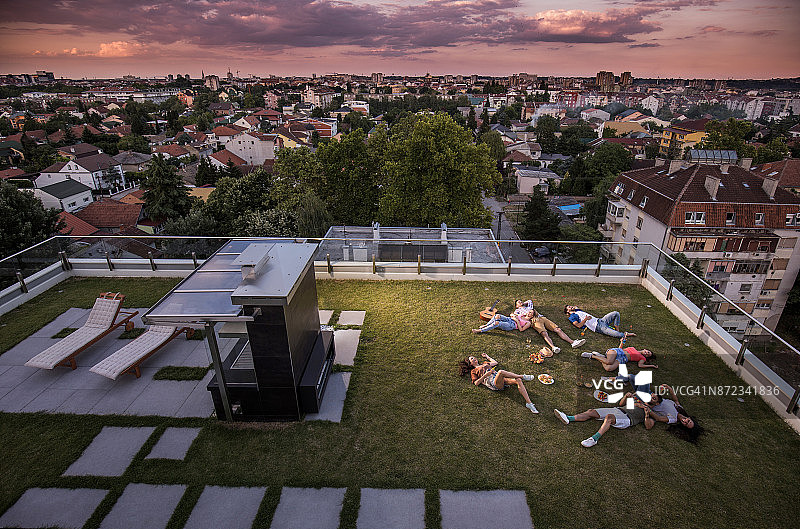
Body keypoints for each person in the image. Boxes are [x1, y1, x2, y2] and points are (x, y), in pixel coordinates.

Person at [553, 392, 661, 447]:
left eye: (654, 398)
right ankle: (568, 418)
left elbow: (648, 426)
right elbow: (621, 404)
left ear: (657, 403)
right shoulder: (639, 401)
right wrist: (626, 397)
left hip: (627, 419)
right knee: (591, 411)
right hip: (617, 410)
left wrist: (646, 415)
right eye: (652, 395)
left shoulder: (652, 413)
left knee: (609, 418)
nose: (652, 397)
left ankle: (594, 439)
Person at [458, 353, 539, 414]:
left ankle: (529, 403)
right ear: (470, 363)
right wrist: (486, 375)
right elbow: (476, 383)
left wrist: (487, 357)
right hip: (493, 382)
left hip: (500, 378)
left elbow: (495, 362)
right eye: (472, 358)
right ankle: (522, 376)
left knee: (518, 380)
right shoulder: (474, 371)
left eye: (474, 357)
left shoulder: (485, 363)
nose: (474, 358)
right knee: (500, 372)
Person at [513, 300, 585, 354]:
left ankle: (572, 342)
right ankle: (553, 347)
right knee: (544, 333)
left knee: (558, 329)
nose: (520, 302)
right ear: (516, 306)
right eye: (518, 302)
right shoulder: (517, 311)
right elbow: (515, 315)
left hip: (542, 318)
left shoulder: (528, 306)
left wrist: (523, 304)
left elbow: (530, 301)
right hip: (534, 320)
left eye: (521, 301)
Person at [579, 337, 658, 371]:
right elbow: (620, 349)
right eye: (648, 352)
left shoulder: (642, 358)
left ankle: (600, 357)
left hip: (622, 359)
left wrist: (652, 366)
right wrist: (621, 342)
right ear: (645, 349)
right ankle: (591, 356)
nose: (646, 353)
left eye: (648, 355)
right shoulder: (633, 348)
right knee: (609, 362)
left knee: (608, 368)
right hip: (617, 352)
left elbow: (640, 365)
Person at [564, 305, 635, 339]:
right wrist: (585, 319)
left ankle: (617, 329)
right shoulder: (572, 317)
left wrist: (574, 308)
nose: (571, 306)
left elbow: (576, 307)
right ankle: (624, 334)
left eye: (570, 305)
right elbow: (578, 325)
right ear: (567, 311)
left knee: (616, 313)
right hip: (598, 327)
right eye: (569, 307)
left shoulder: (577, 311)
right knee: (618, 335)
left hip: (601, 320)